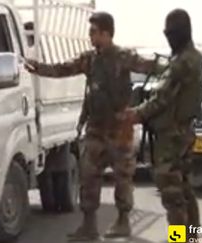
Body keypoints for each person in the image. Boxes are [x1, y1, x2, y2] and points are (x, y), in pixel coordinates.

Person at [25, 12, 156, 241]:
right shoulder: (90, 59)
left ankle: (123, 222)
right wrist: (38, 68)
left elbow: (151, 67)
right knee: (89, 178)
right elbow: (62, 69)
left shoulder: (124, 57)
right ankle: (89, 227)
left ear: (106, 34)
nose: (90, 37)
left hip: (119, 130)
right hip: (95, 129)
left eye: (93, 32)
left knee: (123, 178)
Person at [119, 9, 202, 241]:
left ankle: (179, 239)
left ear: (177, 33)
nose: (167, 37)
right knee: (186, 191)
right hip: (185, 132)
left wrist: (134, 114)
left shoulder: (181, 63)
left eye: (169, 33)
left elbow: (161, 99)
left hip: (172, 137)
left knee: (172, 196)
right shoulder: (196, 59)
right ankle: (192, 237)